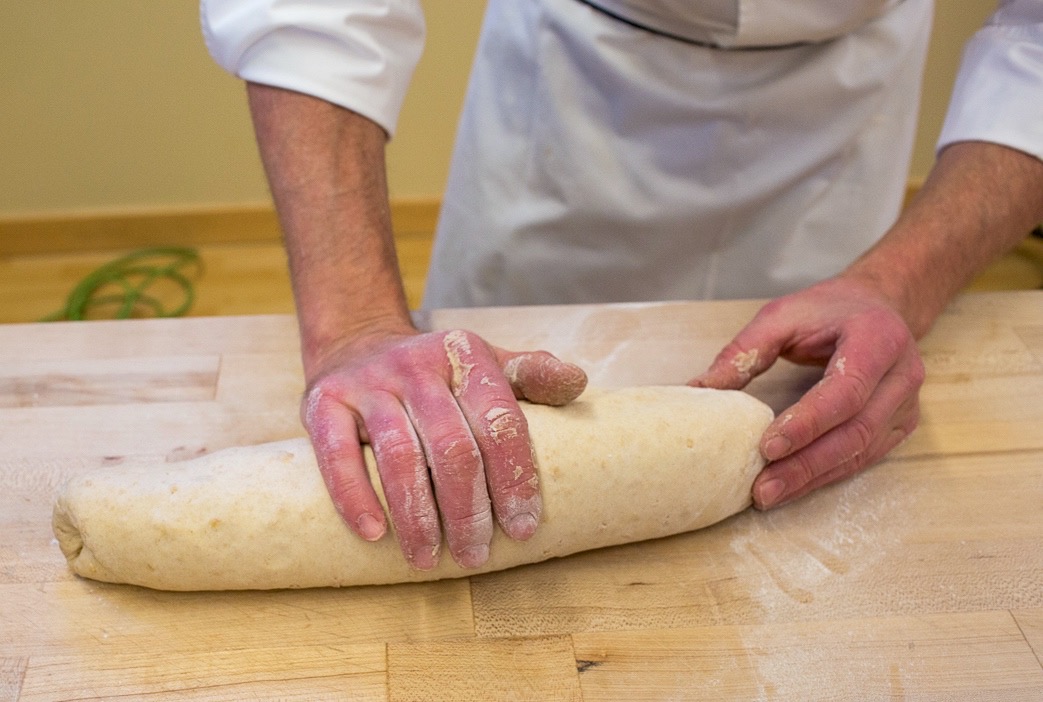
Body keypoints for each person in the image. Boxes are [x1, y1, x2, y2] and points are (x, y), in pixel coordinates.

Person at [200, 0, 1043, 571]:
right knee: (461, 426)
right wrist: (352, 324)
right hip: (572, 85)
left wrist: (898, 283)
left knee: (774, 424)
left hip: (850, 95)